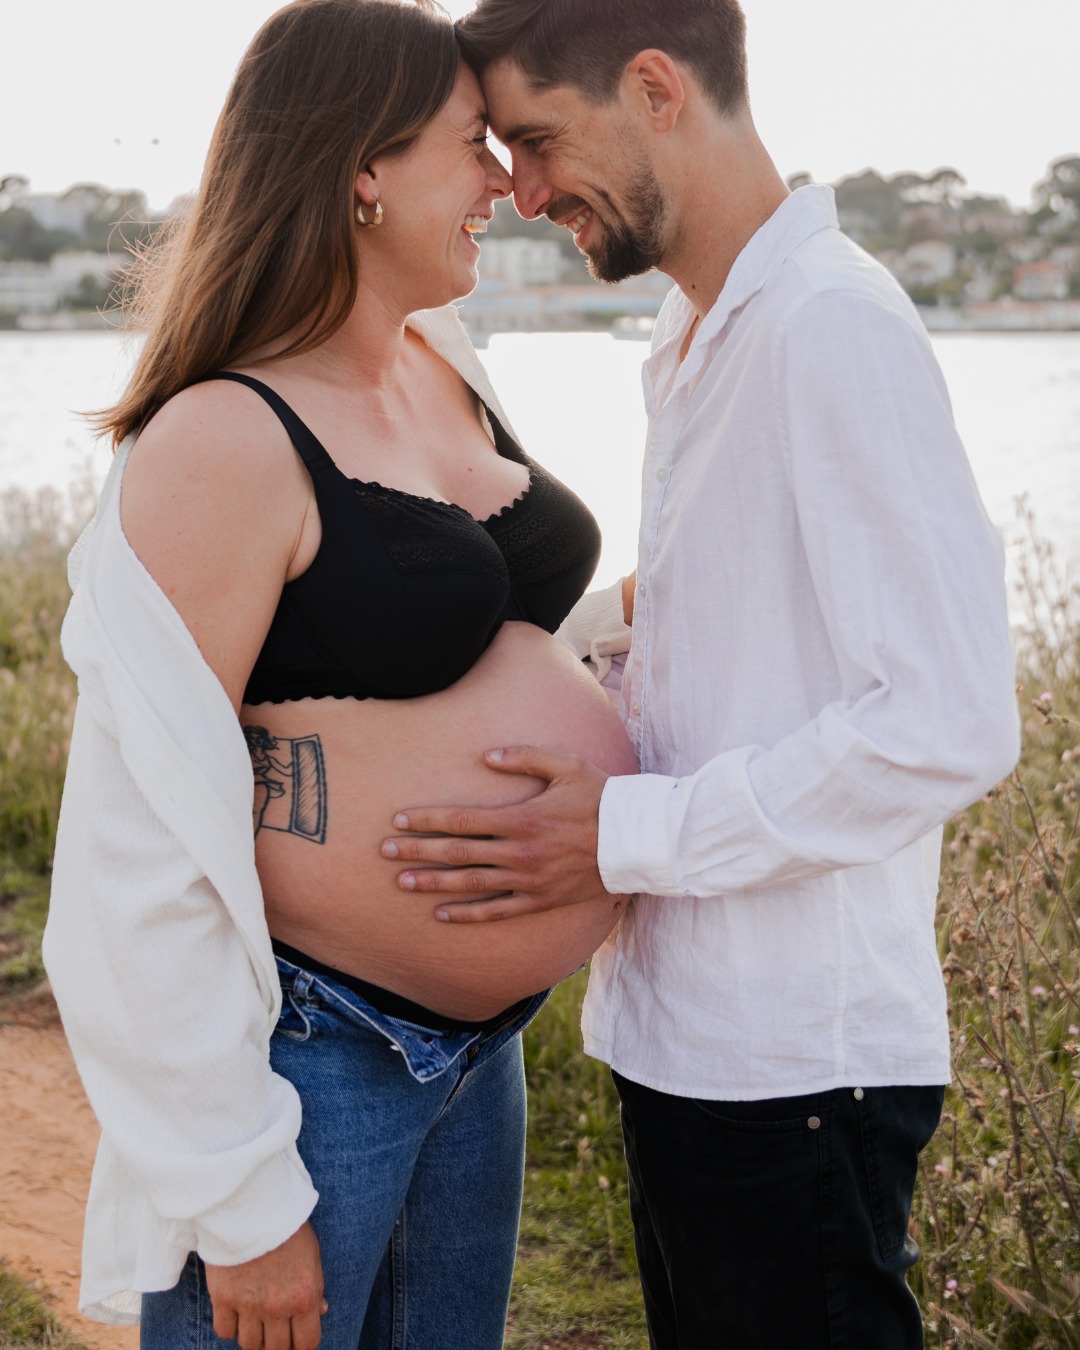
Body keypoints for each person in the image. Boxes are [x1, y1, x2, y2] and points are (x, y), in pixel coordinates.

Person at [379, 1, 1022, 1345]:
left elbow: (946, 721)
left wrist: (621, 832)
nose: (526, 188)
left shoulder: (828, 325)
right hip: (685, 1045)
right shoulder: (692, 338)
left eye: (542, 139)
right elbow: (742, 617)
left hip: (799, 1071)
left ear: (658, 88)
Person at [42, 2, 637, 1348]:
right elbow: (131, 846)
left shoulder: (441, 363)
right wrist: (238, 1194)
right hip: (312, 1065)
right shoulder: (223, 439)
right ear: (363, 169)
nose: (505, 183)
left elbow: (425, 645)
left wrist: (609, 634)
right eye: (472, 146)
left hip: (477, 1064)